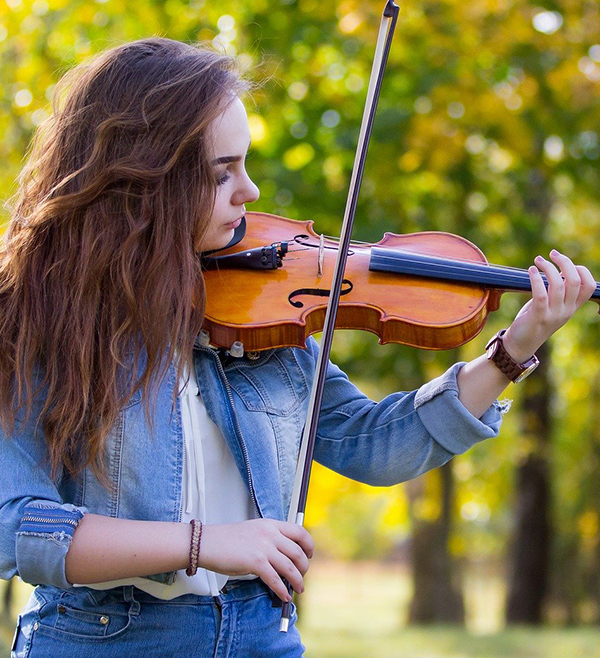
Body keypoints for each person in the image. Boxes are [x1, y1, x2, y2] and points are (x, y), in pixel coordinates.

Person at [0, 38, 595, 658]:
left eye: (247, 164)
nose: (250, 191)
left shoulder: (261, 313)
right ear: (142, 177)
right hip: (104, 639)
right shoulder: (32, 319)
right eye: (220, 171)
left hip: (261, 633)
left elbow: (374, 444)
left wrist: (512, 350)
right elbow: (16, 530)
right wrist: (201, 543)